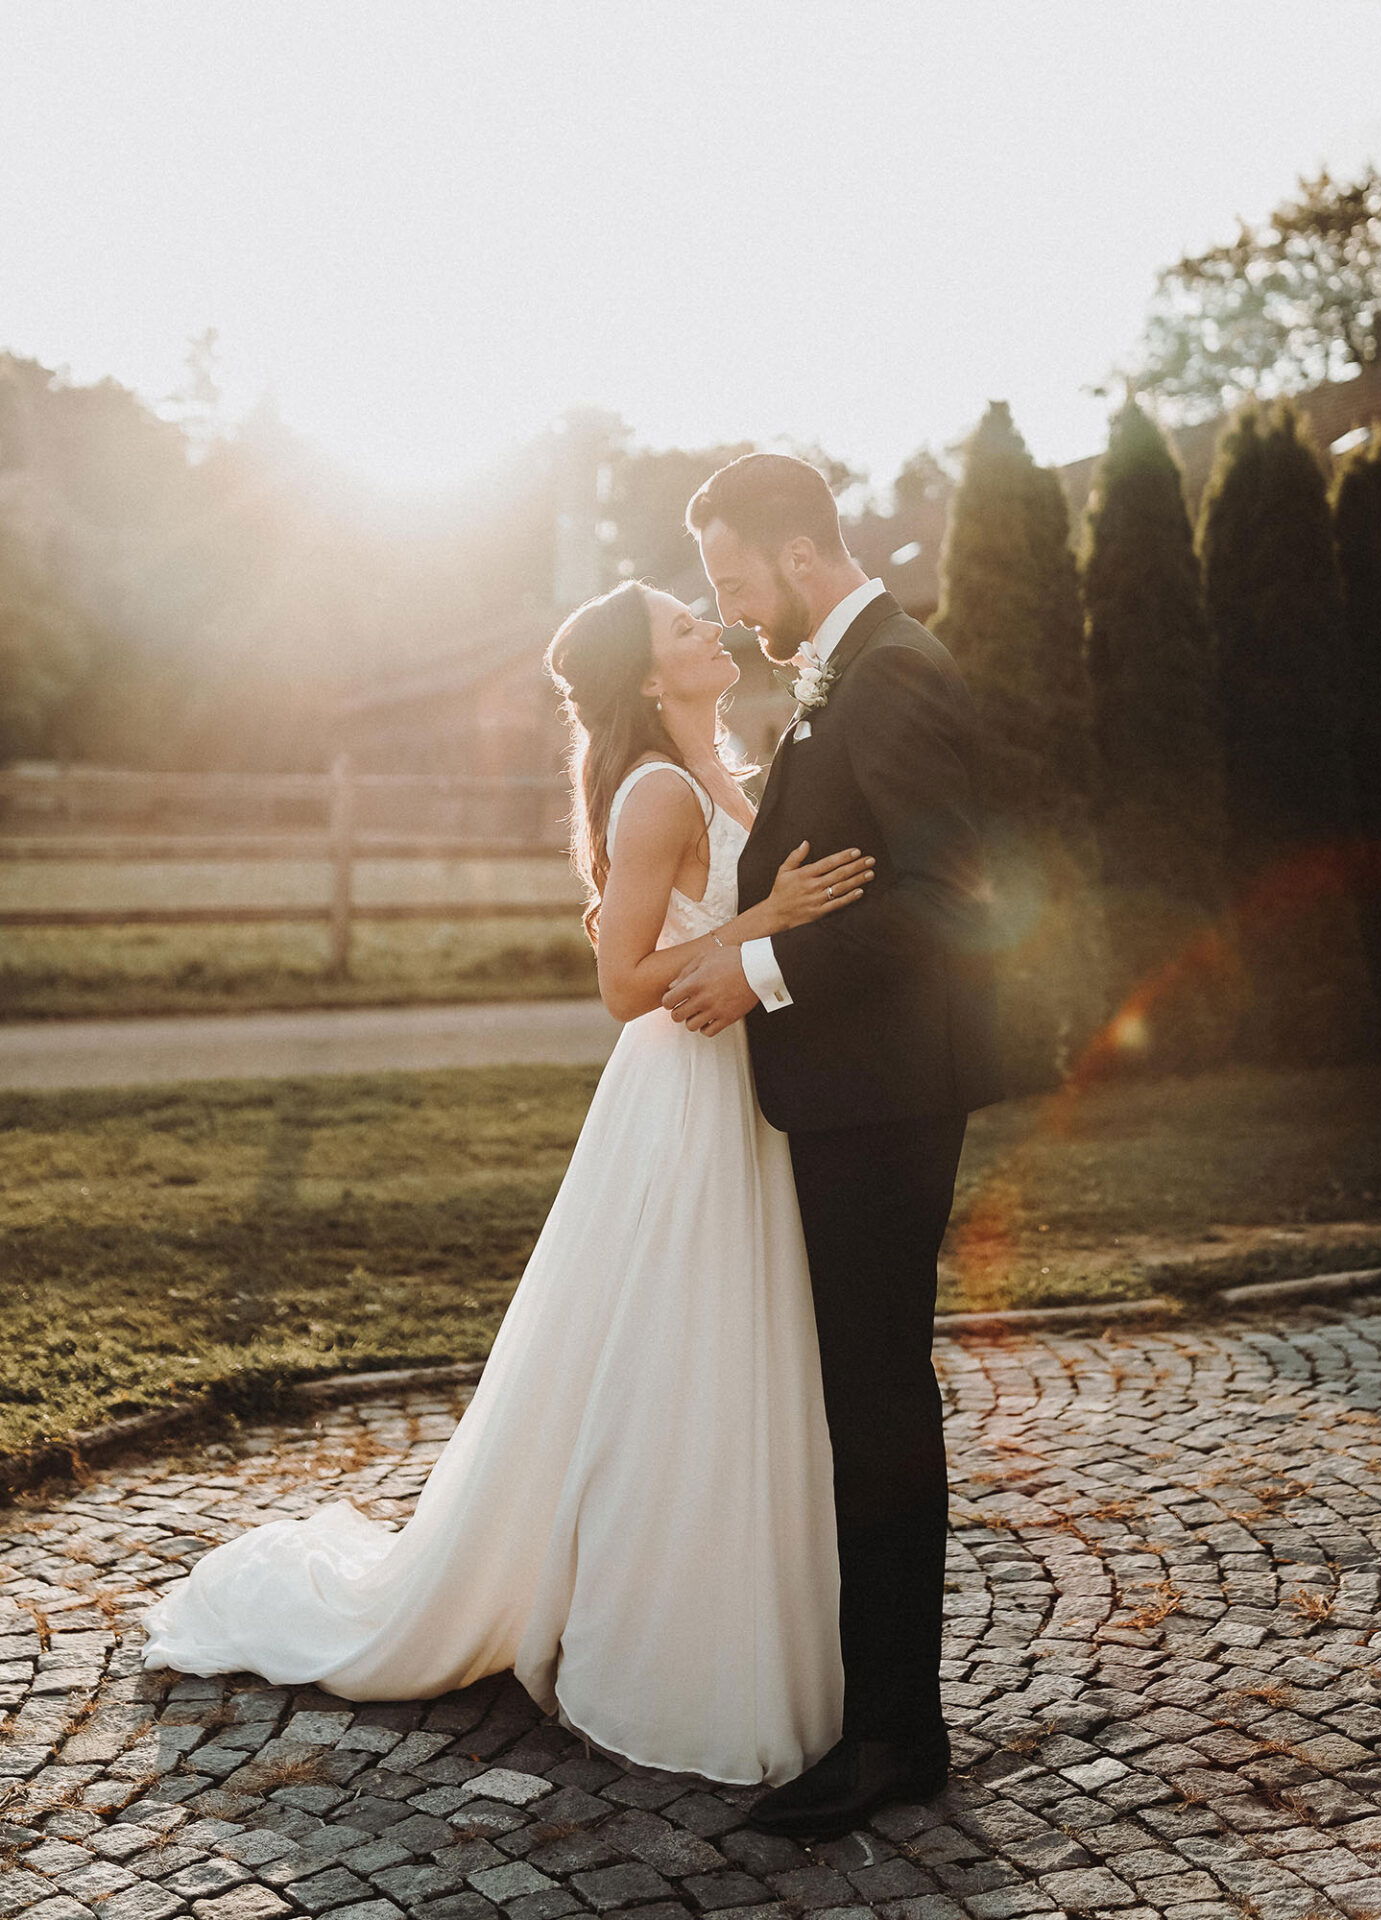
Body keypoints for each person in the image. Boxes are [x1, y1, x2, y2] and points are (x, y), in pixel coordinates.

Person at [139, 578, 877, 1790]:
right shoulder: (655, 791)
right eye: (684, 626)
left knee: (722, 1349)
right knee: (679, 1347)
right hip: (683, 1090)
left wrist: (780, 921)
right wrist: (770, 925)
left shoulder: (721, 763)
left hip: (748, 1084)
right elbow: (627, 983)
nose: (711, 629)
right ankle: (662, 1641)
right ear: (648, 677)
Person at [664, 452, 1004, 1838]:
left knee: (875, 1400)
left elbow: (946, 899)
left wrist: (764, 976)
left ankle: (893, 1740)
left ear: (803, 554)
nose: (734, 611)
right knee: (859, 1394)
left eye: (735, 580)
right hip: (853, 1094)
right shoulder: (842, 679)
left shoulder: (893, 674)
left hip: (886, 1094)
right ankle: (883, 1720)